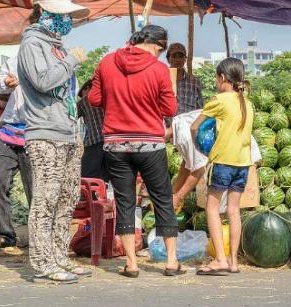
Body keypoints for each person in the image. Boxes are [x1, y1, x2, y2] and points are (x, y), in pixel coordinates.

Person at [89, 24, 184, 278]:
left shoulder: (106, 62)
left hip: (115, 143)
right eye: (160, 50)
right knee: (162, 199)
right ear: (157, 45)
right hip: (149, 143)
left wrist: (118, 98)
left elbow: (94, 99)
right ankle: (172, 261)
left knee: (125, 202)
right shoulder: (159, 69)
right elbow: (170, 109)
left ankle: (131, 264)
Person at [17, 0, 90, 284]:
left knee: (67, 198)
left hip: (68, 132)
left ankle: (60, 256)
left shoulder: (56, 46)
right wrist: (72, 60)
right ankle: (43, 263)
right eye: (63, 14)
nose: (68, 21)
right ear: (45, 11)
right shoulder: (32, 44)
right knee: (46, 200)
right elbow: (43, 81)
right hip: (44, 133)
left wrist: (77, 132)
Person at [190, 58, 253, 275]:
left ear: (222, 78)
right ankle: (233, 261)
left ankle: (219, 259)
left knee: (212, 208)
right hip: (243, 163)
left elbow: (195, 126)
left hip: (223, 162)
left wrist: (200, 145)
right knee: (234, 211)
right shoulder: (247, 103)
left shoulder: (220, 100)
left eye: (217, 78)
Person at [166, 109, 261, 212]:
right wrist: (174, 192)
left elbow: (198, 170)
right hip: (231, 154)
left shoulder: (184, 135)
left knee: (225, 209)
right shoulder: (179, 125)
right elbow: (187, 163)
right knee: (226, 209)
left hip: (238, 154)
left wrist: (178, 197)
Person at [0, 55, 33, 250]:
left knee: (35, 189)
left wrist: (22, 83)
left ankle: (40, 236)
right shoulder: (16, 60)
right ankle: (5, 234)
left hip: (34, 132)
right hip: (8, 132)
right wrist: (6, 82)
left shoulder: (52, 61)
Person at [77, 80, 107, 181]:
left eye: (82, 94)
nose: (82, 96)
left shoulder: (83, 102)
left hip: (94, 143)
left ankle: (90, 196)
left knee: (87, 176)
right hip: (111, 141)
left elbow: (71, 117)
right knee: (106, 176)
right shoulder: (107, 96)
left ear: (87, 88)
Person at [167, 43, 203, 114]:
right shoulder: (161, 79)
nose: (178, 60)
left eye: (181, 56)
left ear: (185, 59)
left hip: (189, 124)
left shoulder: (195, 82)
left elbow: (199, 109)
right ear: (168, 59)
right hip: (166, 123)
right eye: (174, 56)